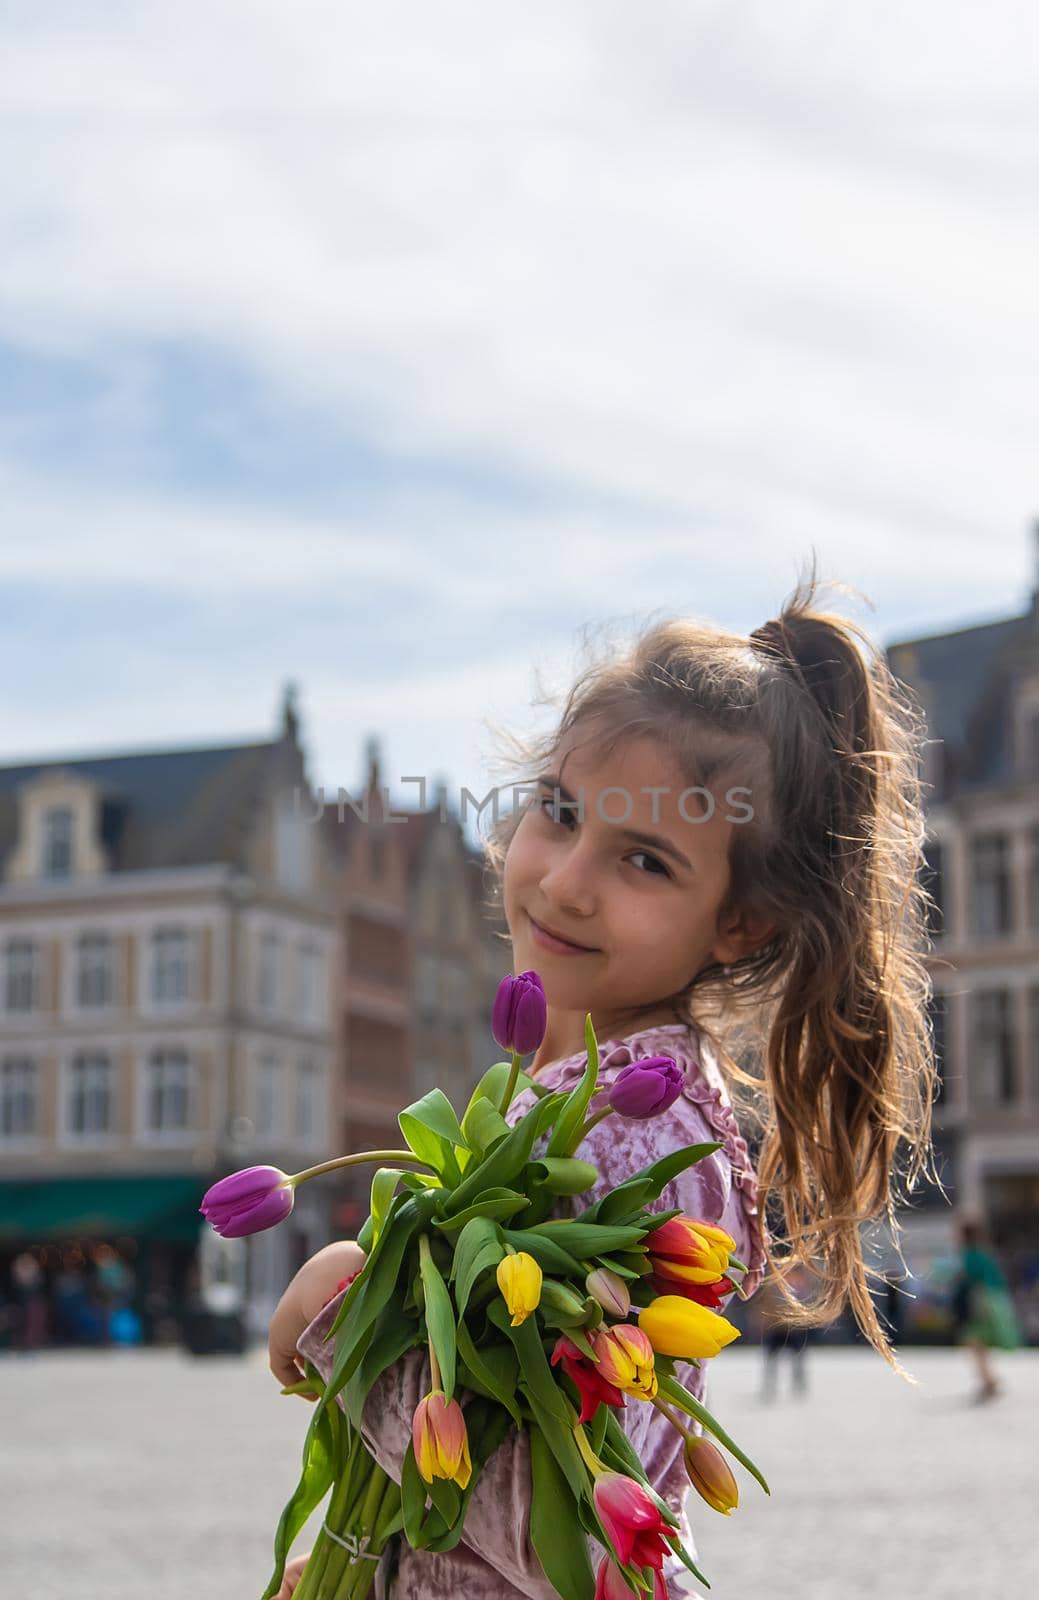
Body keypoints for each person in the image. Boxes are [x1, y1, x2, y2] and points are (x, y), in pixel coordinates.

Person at [267, 561, 938, 1599]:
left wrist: (355, 1323)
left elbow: (568, 1538)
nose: (566, 881)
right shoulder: (586, 1090)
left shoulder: (647, 1133)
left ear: (739, 922)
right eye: (560, 810)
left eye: (645, 861)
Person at [952, 1218, 1021, 1402]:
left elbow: (976, 1283)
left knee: (975, 1341)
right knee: (977, 1343)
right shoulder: (983, 1253)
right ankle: (988, 1378)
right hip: (992, 1300)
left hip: (981, 1303)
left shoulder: (971, 1255)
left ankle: (988, 1379)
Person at [755, 1265, 812, 1401]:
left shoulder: (794, 1283)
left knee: (795, 1359)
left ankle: (799, 1386)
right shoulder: (775, 1285)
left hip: (790, 1328)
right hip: (778, 1327)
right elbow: (766, 1305)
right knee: (773, 1361)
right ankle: (772, 1387)